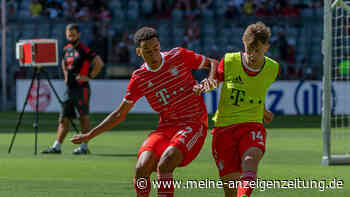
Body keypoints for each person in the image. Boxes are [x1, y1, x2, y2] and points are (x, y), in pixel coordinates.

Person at [70, 27, 218, 197]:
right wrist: (90, 135)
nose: (154, 55)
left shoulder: (178, 56)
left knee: (165, 163)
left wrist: (211, 80)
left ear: (159, 45)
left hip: (193, 123)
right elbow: (119, 114)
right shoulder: (139, 78)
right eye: (147, 51)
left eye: (156, 49)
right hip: (166, 127)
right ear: (139, 52)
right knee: (141, 167)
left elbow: (212, 63)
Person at [194, 21, 279, 197]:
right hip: (224, 129)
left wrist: (262, 112)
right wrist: (205, 86)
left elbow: (255, 91)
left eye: (258, 50)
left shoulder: (272, 68)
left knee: (251, 158)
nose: (252, 55)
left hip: (252, 125)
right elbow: (215, 82)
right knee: (231, 191)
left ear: (267, 48)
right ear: (244, 43)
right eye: (249, 49)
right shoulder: (230, 61)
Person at [41, 24, 104, 155]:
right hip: (69, 89)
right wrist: (65, 75)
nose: (71, 37)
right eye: (69, 34)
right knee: (63, 118)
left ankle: (84, 147)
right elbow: (64, 63)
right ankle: (57, 146)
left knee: (83, 117)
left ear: (78, 35)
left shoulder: (84, 50)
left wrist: (90, 76)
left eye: (73, 34)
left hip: (82, 89)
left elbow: (99, 62)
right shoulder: (66, 49)